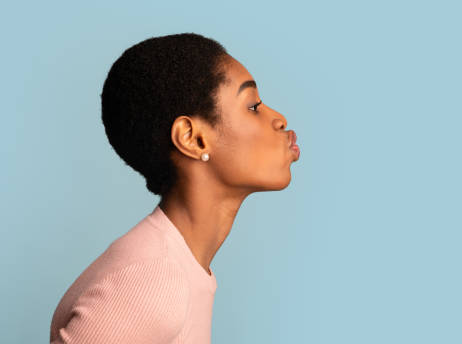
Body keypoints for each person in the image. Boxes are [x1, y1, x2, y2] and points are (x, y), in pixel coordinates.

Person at [49, 32, 300, 343]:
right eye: (252, 106)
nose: (279, 119)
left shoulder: (177, 271)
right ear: (193, 139)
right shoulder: (149, 281)